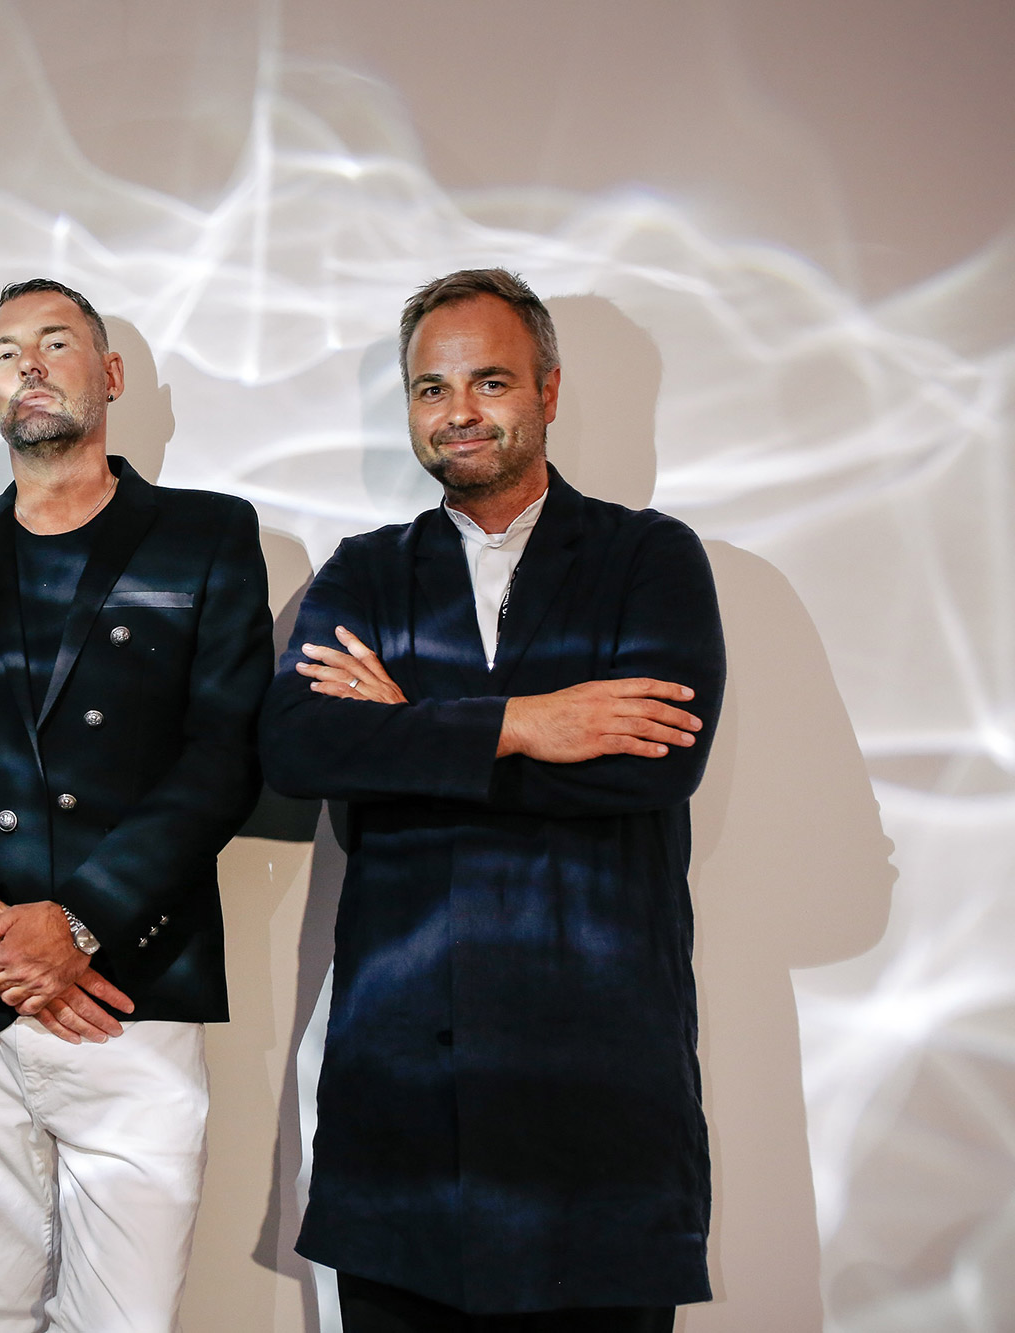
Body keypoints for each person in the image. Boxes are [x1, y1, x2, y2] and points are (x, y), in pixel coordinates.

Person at [258, 269, 725, 1331]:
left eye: (489, 381)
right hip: (405, 1077)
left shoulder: (648, 556)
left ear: (547, 391)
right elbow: (296, 746)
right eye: (431, 388)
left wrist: (405, 730)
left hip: (598, 1079)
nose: (457, 410)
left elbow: (653, 762)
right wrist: (525, 722)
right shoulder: (364, 572)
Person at [0, 279, 273, 1332]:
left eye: (55, 341)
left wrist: (78, 921)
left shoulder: (206, 533)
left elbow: (224, 755)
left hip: (129, 990)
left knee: (125, 1321)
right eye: (4, 352)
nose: (28, 365)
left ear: (110, 374)